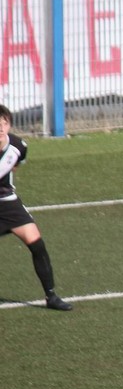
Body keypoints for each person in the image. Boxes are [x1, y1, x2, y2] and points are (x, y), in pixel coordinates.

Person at [0, 105, 72, 311]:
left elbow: (16, 164)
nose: (1, 128)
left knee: (37, 244)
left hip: (9, 203)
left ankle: (51, 296)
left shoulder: (18, 146)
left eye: (5, 123)